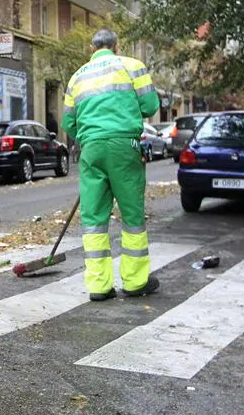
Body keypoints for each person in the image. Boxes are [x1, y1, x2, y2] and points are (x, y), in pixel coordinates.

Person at [61, 29, 160, 301]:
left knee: (93, 219)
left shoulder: (77, 77)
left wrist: (91, 129)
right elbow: (150, 105)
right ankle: (135, 281)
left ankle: (99, 286)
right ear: (116, 46)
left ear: (92, 47)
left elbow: (68, 123)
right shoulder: (132, 67)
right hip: (123, 146)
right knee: (132, 216)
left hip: (91, 149)